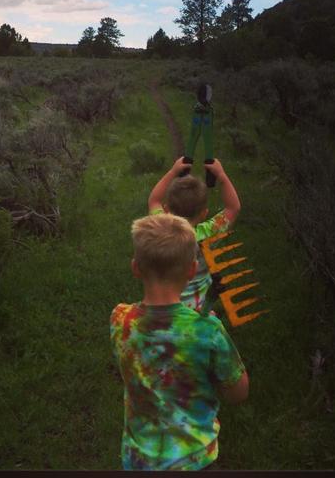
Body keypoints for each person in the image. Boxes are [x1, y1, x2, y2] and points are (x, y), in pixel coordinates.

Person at [110, 213, 249, 471]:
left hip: (140, 462)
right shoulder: (208, 333)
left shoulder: (120, 319)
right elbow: (238, 392)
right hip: (196, 463)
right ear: (193, 270)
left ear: (135, 267)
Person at [147, 157, 241, 314]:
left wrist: (173, 171)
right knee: (200, 329)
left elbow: (154, 200)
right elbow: (233, 208)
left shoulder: (161, 226)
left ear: (167, 209)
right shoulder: (209, 233)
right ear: (204, 213)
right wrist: (221, 175)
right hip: (198, 308)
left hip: (165, 306)